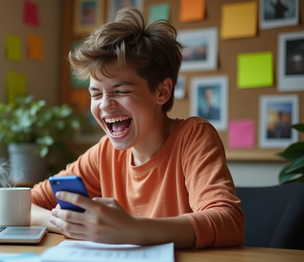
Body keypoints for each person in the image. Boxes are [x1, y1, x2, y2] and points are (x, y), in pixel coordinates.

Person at [30, 7, 244, 249]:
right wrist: (68, 222)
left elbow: (229, 222)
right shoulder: (104, 153)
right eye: (96, 93)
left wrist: (132, 229)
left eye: (121, 91)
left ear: (162, 91)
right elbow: (26, 203)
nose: (105, 104)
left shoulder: (193, 137)